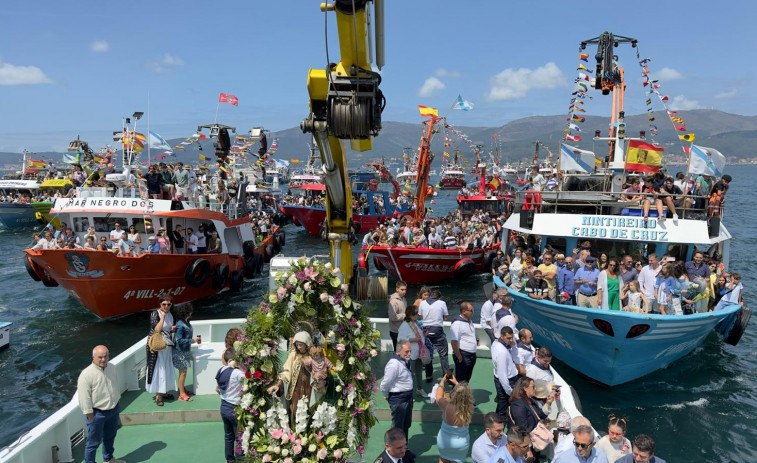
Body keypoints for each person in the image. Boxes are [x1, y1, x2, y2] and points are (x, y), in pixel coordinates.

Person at [77, 345, 125, 463]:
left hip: (113, 410)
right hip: (97, 413)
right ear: (93, 357)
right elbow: (84, 397)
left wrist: (117, 400)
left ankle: (108, 459)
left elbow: (114, 385)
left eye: (105, 356)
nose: (103, 359)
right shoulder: (86, 374)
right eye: (100, 357)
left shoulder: (112, 368)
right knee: (93, 443)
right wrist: (90, 415)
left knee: (110, 437)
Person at [267, 331, 314, 428]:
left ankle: (307, 437)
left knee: (308, 412)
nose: (299, 347)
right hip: (295, 391)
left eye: (301, 345)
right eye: (297, 345)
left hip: (308, 389)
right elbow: (286, 371)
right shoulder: (293, 355)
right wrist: (278, 384)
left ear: (307, 343)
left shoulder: (313, 356)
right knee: (294, 411)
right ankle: (294, 436)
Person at [435, 374, 474, 463]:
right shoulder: (470, 408)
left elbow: (438, 396)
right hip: (461, 445)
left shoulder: (446, 406)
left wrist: (442, 381)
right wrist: (457, 383)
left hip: (445, 442)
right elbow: (464, 394)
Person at [146, 296, 177, 406]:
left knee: (166, 367)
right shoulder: (155, 314)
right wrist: (163, 317)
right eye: (164, 304)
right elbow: (157, 330)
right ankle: (158, 395)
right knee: (159, 369)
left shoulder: (171, 314)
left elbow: (168, 329)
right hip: (157, 346)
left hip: (167, 345)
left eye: (169, 304)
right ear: (160, 304)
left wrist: (173, 328)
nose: (166, 306)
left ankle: (164, 392)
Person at [380, 340, 415, 439]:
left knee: (406, 424)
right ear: (398, 351)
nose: (409, 354)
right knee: (397, 428)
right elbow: (385, 383)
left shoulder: (404, 361)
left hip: (408, 398)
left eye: (410, 351)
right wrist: (386, 395)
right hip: (398, 399)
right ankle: (395, 452)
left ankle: (404, 449)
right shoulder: (394, 365)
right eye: (406, 352)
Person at [216, 347, 244, 463]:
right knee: (239, 438)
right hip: (234, 408)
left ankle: (229, 459)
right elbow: (249, 379)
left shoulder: (221, 370)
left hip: (224, 407)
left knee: (228, 436)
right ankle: (240, 459)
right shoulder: (238, 373)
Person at [398, 304, 430, 398]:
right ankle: (408, 394)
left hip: (419, 353)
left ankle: (419, 389)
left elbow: (420, 337)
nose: (417, 315)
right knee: (409, 374)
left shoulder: (415, 324)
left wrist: (424, 334)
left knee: (419, 372)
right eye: (415, 314)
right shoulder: (404, 326)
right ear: (409, 315)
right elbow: (400, 340)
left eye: (417, 314)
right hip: (410, 354)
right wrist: (412, 340)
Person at [172, 303, 201, 402]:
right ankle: (181, 394)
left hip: (184, 350)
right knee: (183, 372)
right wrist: (193, 340)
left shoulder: (185, 322)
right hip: (180, 352)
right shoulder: (181, 324)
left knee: (183, 372)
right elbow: (179, 340)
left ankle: (182, 389)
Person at [419, 289, 450, 375]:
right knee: (443, 354)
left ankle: (429, 376)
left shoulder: (422, 303)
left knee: (428, 353)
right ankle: (446, 374)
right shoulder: (442, 303)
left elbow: (421, 316)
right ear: (439, 298)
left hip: (426, 331)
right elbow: (446, 318)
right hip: (437, 331)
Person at [491, 326, 519, 417]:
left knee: (501, 406)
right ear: (502, 336)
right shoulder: (502, 352)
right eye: (508, 338)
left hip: (503, 380)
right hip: (507, 382)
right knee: (503, 409)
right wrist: (510, 392)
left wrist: (513, 345)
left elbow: (514, 355)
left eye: (512, 338)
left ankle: (495, 421)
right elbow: (502, 375)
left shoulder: (496, 343)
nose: (511, 340)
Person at [450, 301, 477, 383]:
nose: (473, 312)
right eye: (471, 310)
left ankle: (464, 394)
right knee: (460, 379)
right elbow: (454, 342)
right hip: (463, 355)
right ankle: (456, 395)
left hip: (472, 355)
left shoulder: (469, 321)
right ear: (464, 311)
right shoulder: (457, 324)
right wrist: (459, 356)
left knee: (467, 377)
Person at [388, 281, 408, 350]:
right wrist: (405, 315)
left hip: (402, 329)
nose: (404, 291)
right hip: (396, 331)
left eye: (405, 289)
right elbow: (392, 317)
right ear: (397, 289)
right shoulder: (393, 301)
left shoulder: (403, 299)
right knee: (398, 352)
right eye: (402, 290)